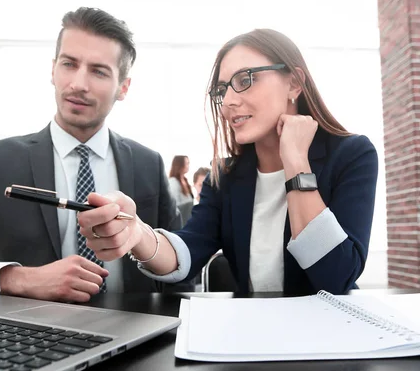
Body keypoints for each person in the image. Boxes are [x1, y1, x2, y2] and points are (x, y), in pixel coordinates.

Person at [77, 28, 379, 295]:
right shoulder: (226, 175)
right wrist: (137, 233)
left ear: (294, 83)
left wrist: (297, 161)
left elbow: (336, 276)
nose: (230, 101)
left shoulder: (351, 155)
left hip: (331, 340)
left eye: (246, 80)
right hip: (250, 337)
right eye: (223, 90)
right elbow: (188, 250)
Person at [0, 7, 189, 303]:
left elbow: (183, 270)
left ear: (123, 87)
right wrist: (16, 278)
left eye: (98, 71)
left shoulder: (148, 163)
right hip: (35, 340)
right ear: (53, 70)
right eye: (69, 64)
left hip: (136, 335)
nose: (78, 84)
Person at [168, 155, 195, 222]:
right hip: (181, 220)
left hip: (188, 217)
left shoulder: (185, 180)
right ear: (180, 165)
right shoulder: (173, 182)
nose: (188, 166)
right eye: (187, 163)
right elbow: (174, 205)